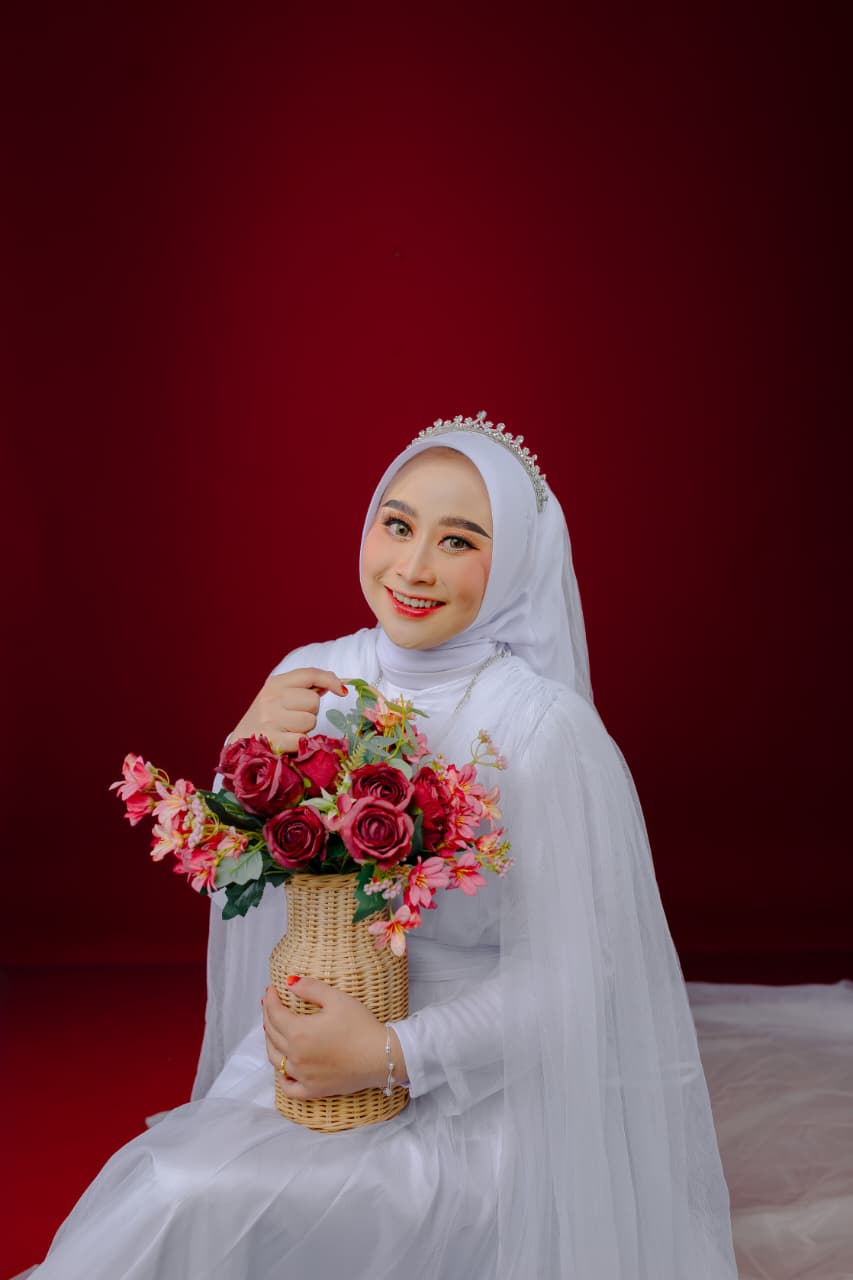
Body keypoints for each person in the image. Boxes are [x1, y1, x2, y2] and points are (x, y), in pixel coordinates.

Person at [31, 414, 738, 1278]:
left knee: (226, 1201)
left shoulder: (541, 728)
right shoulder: (311, 676)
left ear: (515, 562)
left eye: (458, 541)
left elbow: (580, 978)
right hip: (312, 1044)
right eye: (397, 525)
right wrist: (243, 754)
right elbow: (234, 881)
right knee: (173, 1190)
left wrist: (392, 1056)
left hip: (483, 1084)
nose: (413, 567)